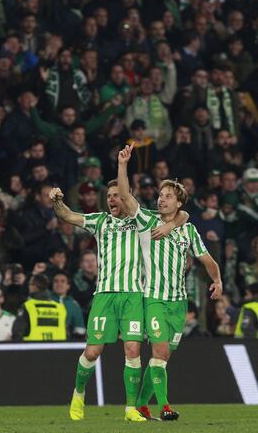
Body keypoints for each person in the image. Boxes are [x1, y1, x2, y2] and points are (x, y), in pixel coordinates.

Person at [49, 179, 187, 422]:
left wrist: (170, 225)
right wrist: (57, 201)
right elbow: (68, 216)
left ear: (126, 197)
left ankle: (130, 409)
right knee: (92, 352)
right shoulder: (100, 221)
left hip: (133, 295)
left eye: (116, 195)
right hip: (104, 295)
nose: (112, 199)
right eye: (109, 196)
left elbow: (182, 213)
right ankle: (78, 393)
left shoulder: (140, 219)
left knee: (133, 350)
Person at [117, 143, 222, 421]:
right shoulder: (147, 220)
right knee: (160, 351)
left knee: (161, 359)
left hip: (178, 302)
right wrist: (123, 165)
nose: (161, 199)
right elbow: (126, 197)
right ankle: (164, 407)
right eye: (161, 195)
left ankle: (140, 406)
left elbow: (206, 259)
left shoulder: (187, 228)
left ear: (179, 204)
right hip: (153, 298)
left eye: (168, 196)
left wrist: (218, 280)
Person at [12, 273, 67, 342]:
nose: (28, 287)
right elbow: (66, 332)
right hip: (59, 349)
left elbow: (17, 331)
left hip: (34, 348)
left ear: (34, 287)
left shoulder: (28, 306)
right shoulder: (60, 307)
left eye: (29, 284)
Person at [51, 272, 86, 340]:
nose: (59, 284)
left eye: (63, 281)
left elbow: (79, 330)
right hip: (46, 342)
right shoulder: (45, 301)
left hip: (67, 344)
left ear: (68, 286)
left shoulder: (74, 305)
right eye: (56, 281)